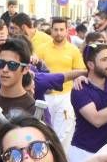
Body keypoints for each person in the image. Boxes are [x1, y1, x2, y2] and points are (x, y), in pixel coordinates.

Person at [35, 17, 87, 150]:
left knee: (63, 133)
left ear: (67, 31)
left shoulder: (73, 50)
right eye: (56, 29)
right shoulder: (41, 49)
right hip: (45, 97)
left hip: (66, 96)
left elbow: (80, 72)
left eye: (61, 30)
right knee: (44, 130)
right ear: (51, 30)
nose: (58, 33)